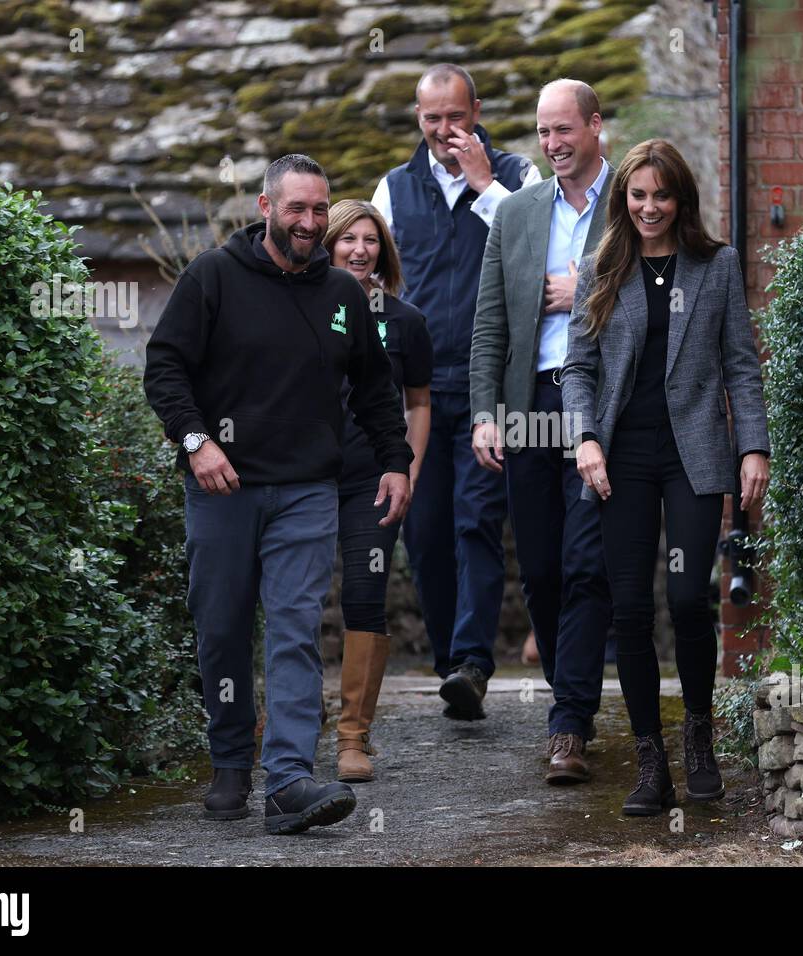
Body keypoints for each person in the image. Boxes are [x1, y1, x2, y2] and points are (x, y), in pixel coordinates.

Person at [143, 154, 413, 834]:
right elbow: (165, 366)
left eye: (320, 210)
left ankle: (290, 779)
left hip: (306, 491)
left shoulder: (343, 297)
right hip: (223, 491)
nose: (310, 222)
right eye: (297, 208)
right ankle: (231, 760)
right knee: (223, 628)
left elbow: (379, 389)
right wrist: (196, 442)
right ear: (266, 207)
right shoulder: (213, 277)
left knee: (294, 629)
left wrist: (395, 461)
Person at [560, 140, 770, 815]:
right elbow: (578, 370)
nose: (649, 207)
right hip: (621, 458)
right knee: (628, 609)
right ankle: (651, 761)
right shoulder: (602, 267)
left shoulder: (716, 265)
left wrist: (754, 448)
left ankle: (700, 741)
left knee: (686, 599)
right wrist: (585, 437)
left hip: (695, 453)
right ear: (624, 199)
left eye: (662, 195)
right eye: (638, 195)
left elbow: (741, 361)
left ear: (682, 199)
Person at [371, 64, 541, 719]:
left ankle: (473, 661)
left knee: (476, 522)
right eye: (432, 119)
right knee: (426, 533)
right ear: (419, 119)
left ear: (476, 110)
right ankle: (450, 665)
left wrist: (482, 186)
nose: (445, 131)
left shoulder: (517, 177)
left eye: (455, 116)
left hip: (487, 390)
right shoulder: (394, 188)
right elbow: (371, 274)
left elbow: (536, 247)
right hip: (414, 394)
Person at [470, 79, 612, 784]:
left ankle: (569, 724)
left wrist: (581, 290)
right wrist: (485, 413)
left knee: (589, 563)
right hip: (528, 405)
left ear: (595, 127)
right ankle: (570, 700)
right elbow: (490, 321)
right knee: (546, 571)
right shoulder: (519, 213)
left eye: (565, 130)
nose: (553, 144)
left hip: (600, 407)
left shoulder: (633, 202)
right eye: (543, 132)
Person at [324, 199, 433, 782]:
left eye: (370, 240)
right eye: (348, 240)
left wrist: (407, 470)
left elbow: (418, 402)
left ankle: (352, 740)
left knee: (365, 599)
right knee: (290, 600)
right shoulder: (305, 309)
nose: (360, 250)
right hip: (304, 476)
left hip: (373, 479)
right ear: (328, 245)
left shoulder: (406, 321)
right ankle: (280, 726)